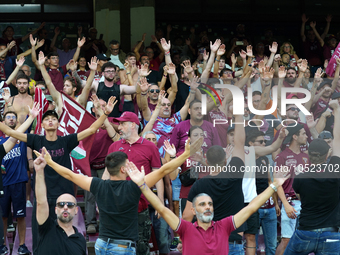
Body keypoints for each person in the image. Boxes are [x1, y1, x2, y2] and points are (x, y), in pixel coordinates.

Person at [126, 126, 289, 255]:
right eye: (203, 204)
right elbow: (162, 206)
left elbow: (252, 207)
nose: (208, 207)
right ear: (194, 209)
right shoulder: (187, 229)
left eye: (210, 204)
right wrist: (142, 185)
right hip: (234, 243)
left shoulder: (222, 226)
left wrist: (274, 185)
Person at [33, 135, 202, 255]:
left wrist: (50, 162)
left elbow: (70, 175)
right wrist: (186, 154)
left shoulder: (98, 184)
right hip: (122, 247)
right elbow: (165, 169)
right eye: (128, 163)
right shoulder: (134, 187)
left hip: (101, 245)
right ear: (123, 169)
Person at [0, 97, 115, 254]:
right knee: (40, 237)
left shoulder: (66, 140)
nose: (51, 121)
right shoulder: (36, 140)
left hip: (64, 197)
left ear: (59, 124)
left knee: (65, 234)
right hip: (43, 199)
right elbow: (9, 132)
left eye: (54, 119)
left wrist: (105, 114)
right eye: (47, 119)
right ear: (42, 125)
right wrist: (31, 117)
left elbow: (90, 130)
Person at [283, 99, 340, 254]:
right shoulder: (335, 170)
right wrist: (337, 110)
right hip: (331, 233)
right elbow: (338, 139)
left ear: (309, 155)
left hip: (306, 232)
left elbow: (299, 196)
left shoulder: (300, 177)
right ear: (327, 154)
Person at [0, 103, 40, 255]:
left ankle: (22, 245)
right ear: (3, 122)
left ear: (16, 122)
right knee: (3, 217)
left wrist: (31, 116)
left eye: (13, 118)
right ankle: (3, 244)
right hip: (3, 184)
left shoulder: (20, 137)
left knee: (20, 216)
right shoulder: (0, 142)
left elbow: (27, 128)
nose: (10, 119)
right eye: (8, 117)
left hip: (18, 183)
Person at [33, 149, 86, 255]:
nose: (65, 207)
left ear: (76, 210)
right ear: (56, 210)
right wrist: (39, 171)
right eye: (61, 205)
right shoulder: (46, 228)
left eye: (70, 205)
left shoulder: (80, 239)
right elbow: (41, 201)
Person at [274, 124, 309, 255]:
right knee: (286, 241)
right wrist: (286, 204)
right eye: (303, 133)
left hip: (306, 204)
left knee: (304, 240)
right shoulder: (282, 156)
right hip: (290, 203)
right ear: (295, 136)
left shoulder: (307, 157)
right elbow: (277, 183)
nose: (306, 136)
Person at [37, 51, 97, 115]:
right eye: (64, 85)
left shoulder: (79, 100)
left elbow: (87, 87)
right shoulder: (59, 98)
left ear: (74, 88)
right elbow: (49, 83)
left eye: (68, 86)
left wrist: (93, 71)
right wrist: (42, 66)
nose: (64, 87)